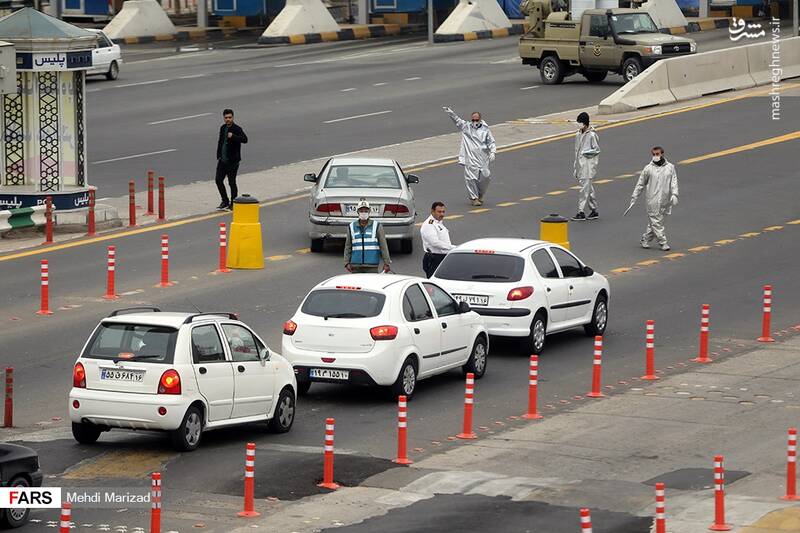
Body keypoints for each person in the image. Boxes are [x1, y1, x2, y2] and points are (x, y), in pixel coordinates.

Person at [627, 146, 679, 251]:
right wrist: (634, 196)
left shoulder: (670, 167)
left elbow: (674, 181)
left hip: (665, 200)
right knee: (656, 221)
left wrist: (674, 194)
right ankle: (663, 242)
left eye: (657, 154)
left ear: (662, 154)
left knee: (656, 222)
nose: (656, 156)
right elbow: (640, 184)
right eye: (654, 154)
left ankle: (645, 239)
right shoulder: (648, 169)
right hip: (652, 200)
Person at [442, 106, 497, 206]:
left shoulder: (485, 130)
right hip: (470, 158)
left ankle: (480, 194)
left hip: (483, 159)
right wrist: (451, 113)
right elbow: (457, 120)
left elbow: (491, 142)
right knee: (471, 178)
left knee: (486, 176)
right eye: (473, 119)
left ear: (480, 119)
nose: (475, 121)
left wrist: (493, 152)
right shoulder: (466, 127)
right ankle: (473, 198)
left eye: (477, 119)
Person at [344, 199, 392, 274]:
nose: (363, 213)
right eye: (361, 211)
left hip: (372, 266)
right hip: (356, 266)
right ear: (358, 212)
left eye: (366, 211)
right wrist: (346, 262)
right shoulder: (351, 226)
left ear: (369, 212)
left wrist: (387, 263)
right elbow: (348, 246)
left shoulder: (377, 226)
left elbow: (383, 246)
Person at [215, 109, 248, 211]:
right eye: (226, 118)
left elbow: (245, 139)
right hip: (222, 160)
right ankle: (225, 201)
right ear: (223, 118)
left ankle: (233, 203)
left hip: (232, 161)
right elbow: (221, 141)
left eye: (230, 117)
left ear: (233, 117)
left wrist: (233, 136)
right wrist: (219, 155)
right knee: (218, 180)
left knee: (231, 182)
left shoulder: (237, 129)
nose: (228, 119)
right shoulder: (223, 128)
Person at [572, 111, 600, 221]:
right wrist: (576, 166)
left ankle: (581, 211)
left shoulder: (592, 135)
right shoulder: (578, 134)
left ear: (585, 123)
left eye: (580, 122)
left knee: (584, 190)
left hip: (588, 166)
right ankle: (594, 210)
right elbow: (576, 151)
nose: (579, 125)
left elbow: (596, 150)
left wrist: (586, 154)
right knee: (589, 188)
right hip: (580, 166)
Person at [420, 201, 455, 278]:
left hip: (442, 257)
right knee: (434, 285)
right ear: (432, 211)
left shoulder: (438, 223)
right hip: (434, 259)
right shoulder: (429, 225)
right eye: (439, 212)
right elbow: (434, 242)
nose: (442, 214)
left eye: (443, 212)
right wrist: (453, 248)